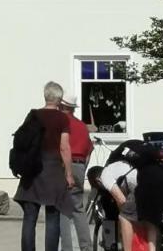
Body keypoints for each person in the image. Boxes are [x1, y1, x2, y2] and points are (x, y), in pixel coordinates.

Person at [14, 81, 73, 251]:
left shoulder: (33, 115)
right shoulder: (62, 118)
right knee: (53, 217)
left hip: (32, 169)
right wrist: (68, 174)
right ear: (60, 99)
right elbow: (64, 147)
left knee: (30, 217)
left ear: (45, 96)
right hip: (53, 170)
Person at [99, 142, 163, 251]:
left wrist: (130, 224)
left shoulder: (105, 176)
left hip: (143, 185)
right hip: (160, 182)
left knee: (124, 216)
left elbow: (121, 200)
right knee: (150, 218)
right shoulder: (129, 161)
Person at [59, 92, 95, 251]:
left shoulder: (60, 123)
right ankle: (86, 246)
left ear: (62, 105)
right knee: (78, 209)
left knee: (63, 209)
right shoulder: (82, 125)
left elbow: (61, 147)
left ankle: (67, 248)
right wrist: (82, 168)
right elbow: (89, 151)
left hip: (65, 165)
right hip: (80, 165)